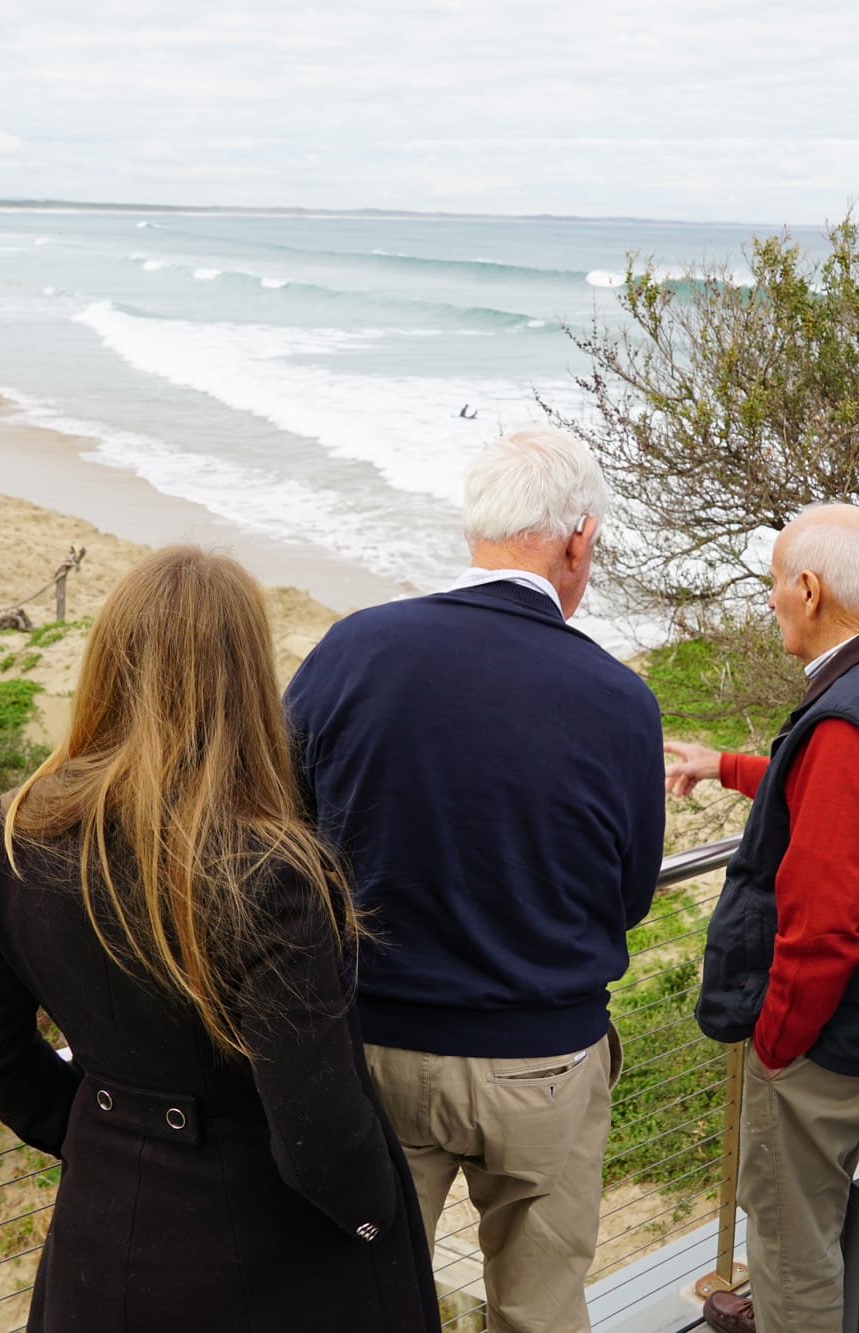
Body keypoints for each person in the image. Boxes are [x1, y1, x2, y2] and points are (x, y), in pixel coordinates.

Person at [0, 546, 439, 1332]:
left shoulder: (13, 836)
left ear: (106, 663)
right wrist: (382, 1219)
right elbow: (318, 1138)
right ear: (246, 683)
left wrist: (102, 1127)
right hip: (270, 1264)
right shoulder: (267, 873)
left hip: (98, 1243)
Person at [283, 426, 666, 1333]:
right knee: (539, 1310)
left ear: (475, 534)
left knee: (364, 1303)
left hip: (375, 1050)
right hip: (544, 1060)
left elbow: (281, 840)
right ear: (580, 539)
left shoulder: (352, 651)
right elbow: (631, 895)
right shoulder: (619, 700)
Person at [664, 504, 859, 1333]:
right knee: (810, 1209)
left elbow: (824, 925)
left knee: (791, 1230)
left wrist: (775, 1041)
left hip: (832, 1035)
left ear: (808, 588)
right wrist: (726, 765)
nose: (769, 601)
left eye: (773, 584)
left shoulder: (846, 717)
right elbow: (847, 797)